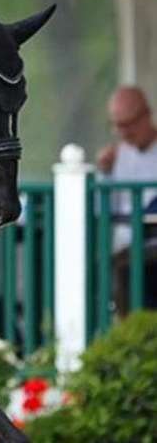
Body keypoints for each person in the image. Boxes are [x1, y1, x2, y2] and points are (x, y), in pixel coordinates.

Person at [96, 85, 157, 311]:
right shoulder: (115, 156)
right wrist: (105, 174)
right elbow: (102, 210)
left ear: (146, 114)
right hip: (126, 252)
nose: (123, 133)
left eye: (128, 124)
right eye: (117, 125)